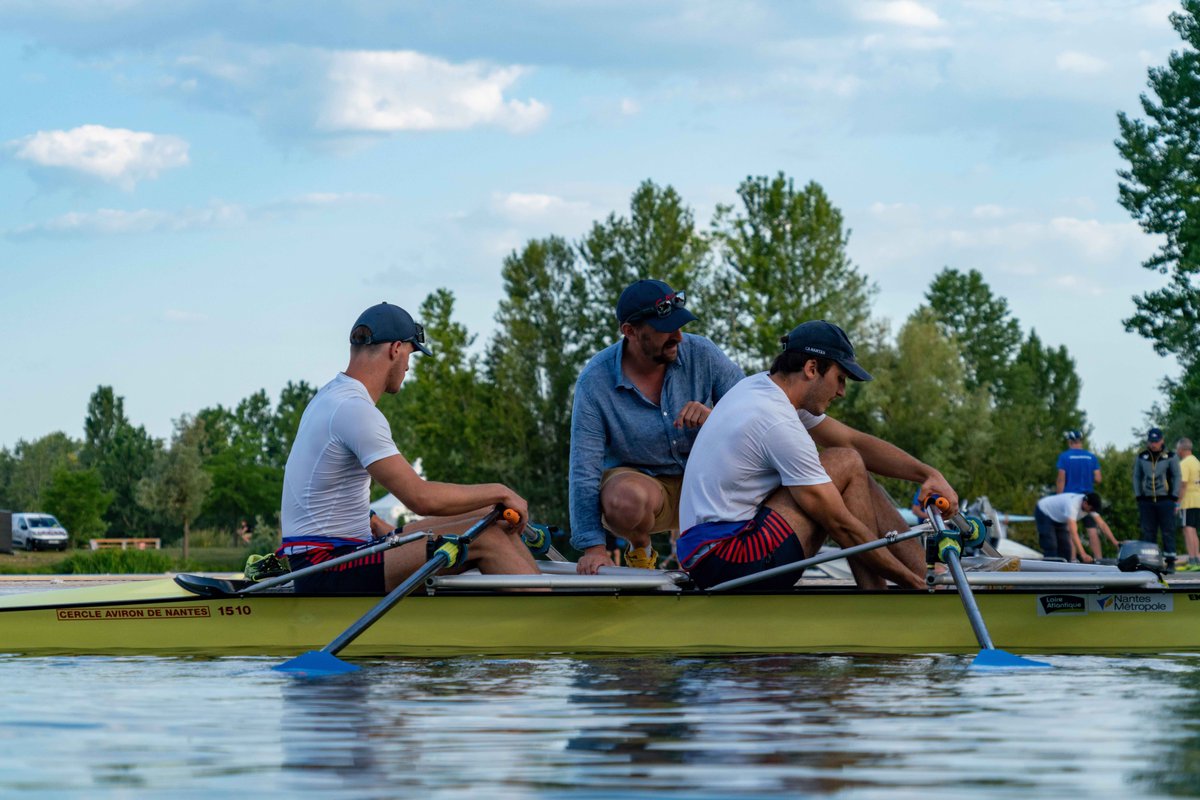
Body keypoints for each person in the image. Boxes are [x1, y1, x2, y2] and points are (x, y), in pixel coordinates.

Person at [677, 320, 957, 591]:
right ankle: (887, 594)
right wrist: (911, 582)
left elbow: (853, 440)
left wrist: (928, 474)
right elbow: (840, 525)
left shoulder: (762, 388)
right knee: (845, 463)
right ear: (812, 368)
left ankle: (927, 577)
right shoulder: (776, 420)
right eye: (840, 378)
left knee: (850, 462)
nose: (842, 392)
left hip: (711, 553)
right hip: (728, 562)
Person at [278, 301, 538, 593]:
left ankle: (539, 606)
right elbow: (420, 498)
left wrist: (374, 521)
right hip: (324, 566)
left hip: (337, 552)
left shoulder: (330, 397)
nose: (408, 366)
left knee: (492, 517)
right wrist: (501, 491)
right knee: (487, 538)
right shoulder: (354, 410)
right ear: (396, 349)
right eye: (411, 354)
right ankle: (553, 628)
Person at [568, 279, 745, 574]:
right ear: (630, 332)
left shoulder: (703, 353)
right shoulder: (594, 381)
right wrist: (594, 548)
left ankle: (759, 558)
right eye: (666, 329)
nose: (678, 336)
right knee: (625, 499)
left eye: (680, 325)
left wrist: (715, 416)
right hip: (646, 490)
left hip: (709, 483)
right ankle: (640, 550)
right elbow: (584, 469)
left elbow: (754, 413)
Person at [1133, 427, 1182, 572]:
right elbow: (1136, 476)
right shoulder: (1142, 457)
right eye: (1151, 441)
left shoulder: (1171, 456)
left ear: (1162, 440)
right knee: (1148, 531)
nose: (1153, 444)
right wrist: (1138, 495)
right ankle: (1150, 563)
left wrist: (1174, 495)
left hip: (1165, 499)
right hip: (1146, 500)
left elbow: (1177, 476)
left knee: (1168, 530)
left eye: (1156, 441)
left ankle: (1170, 561)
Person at [1034, 491, 1116, 563]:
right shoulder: (1072, 505)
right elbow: (1073, 533)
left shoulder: (1090, 506)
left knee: (1066, 548)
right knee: (1051, 545)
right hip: (1044, 511)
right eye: (1091, 509)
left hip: (1059, 518)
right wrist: (1083, 554)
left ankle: (1063, 575)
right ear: (1085, 503)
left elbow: (1102, 524)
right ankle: (1049, 573)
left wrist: (1115, 542)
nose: (1091, 512)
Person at [1178, 438, 1200, 570]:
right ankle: (1196, 558)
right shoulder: (1197, 461)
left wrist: (1177, 501)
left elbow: (1183, 484)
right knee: (1194, 529)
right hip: (1198, 499)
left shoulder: (1185, 463)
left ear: (1181, 449)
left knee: (1188, 529)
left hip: (1188, 500)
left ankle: (1192, 560)